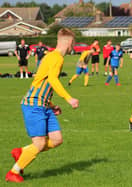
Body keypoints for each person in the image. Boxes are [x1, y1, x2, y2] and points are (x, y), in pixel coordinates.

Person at [5, 28, 79, 183]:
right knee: (39, 144)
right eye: (74, 42)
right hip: (34, 105)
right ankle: (13, 172)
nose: (74, 46)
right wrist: (69, 98)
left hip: (43, 105)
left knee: (57, 139)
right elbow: (52, 79)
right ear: (70, 42)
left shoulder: (52, 56)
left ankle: (23, 152)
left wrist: (51, 105)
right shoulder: (56, 58)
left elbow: (41, 83)